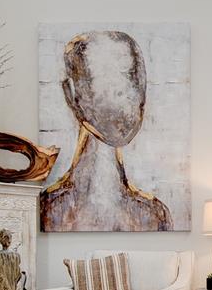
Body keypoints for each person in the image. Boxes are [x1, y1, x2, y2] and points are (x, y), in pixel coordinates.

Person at [41, 30, 172, 231]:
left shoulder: (155, 215)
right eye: (105, 75)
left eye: (131, 75)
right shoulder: (47, 209)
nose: (125, 93)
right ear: (71, 93)